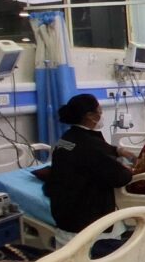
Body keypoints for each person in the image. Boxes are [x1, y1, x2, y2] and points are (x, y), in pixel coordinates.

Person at [43, 94, 135, 235]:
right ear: (90, 116)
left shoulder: (68, 137)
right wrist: (132, 170)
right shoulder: (90, 146)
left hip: (64, 212)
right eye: (100, 110)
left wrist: (118, 151)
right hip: (85, 220)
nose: (102, 114)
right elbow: (119, 177)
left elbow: (97, 151)